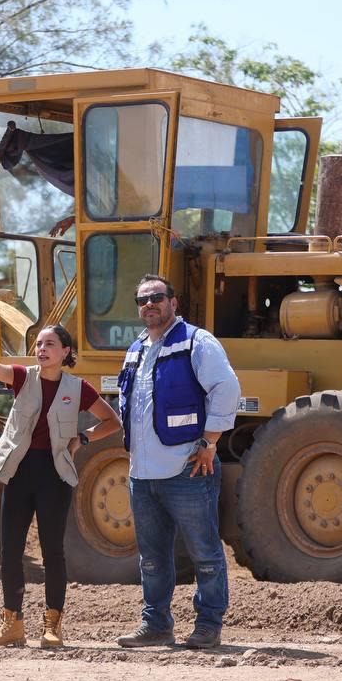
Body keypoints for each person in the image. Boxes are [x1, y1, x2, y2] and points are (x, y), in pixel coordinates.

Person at [0, 325, 121, 648]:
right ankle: (12, 623)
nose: (42, 349)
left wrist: (82, 438)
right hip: (19, 472)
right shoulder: (22, 377)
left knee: (52, 552)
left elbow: (112, 421)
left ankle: (53, 625)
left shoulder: (79, 388)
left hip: (54, 475)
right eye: (39, 344)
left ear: (66, 353)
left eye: (50, 344)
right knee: (11, 550)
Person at [115, 275, 240, 650]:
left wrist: (211, 441)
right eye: (142, 300)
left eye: (157, 297)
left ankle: (208, 625)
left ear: (174, 301)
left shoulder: (197, 343)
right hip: (143, 473)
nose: (149, 304)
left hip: (187, 468)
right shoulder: (136, 349)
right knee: (152, 558)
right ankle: (155, 625)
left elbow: (227, 387)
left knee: (204, 552)